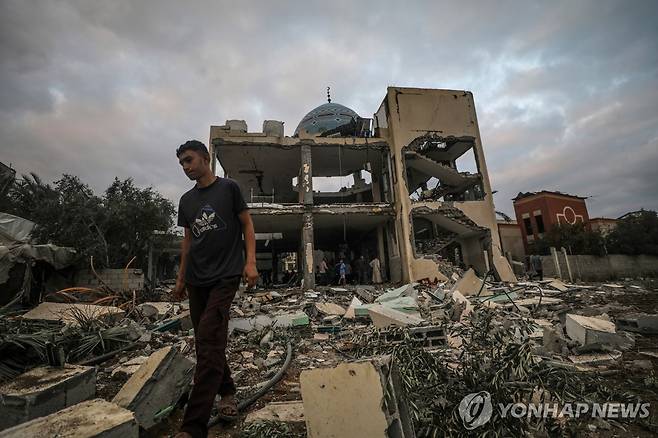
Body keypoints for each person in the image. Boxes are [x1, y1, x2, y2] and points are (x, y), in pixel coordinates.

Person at [173, 140, 258, 438]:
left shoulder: (229, 188)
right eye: (182, 163)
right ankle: (228, 391)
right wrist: (181, 279)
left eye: (189, 160)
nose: (186, 167)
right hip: (196, 279)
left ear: (206, 158)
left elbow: (247, 225)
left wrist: (250, 263)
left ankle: (193, 426)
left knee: (209, 337)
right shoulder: (185, 201)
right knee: (205, 341)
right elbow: (187, 242)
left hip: (226, 276)